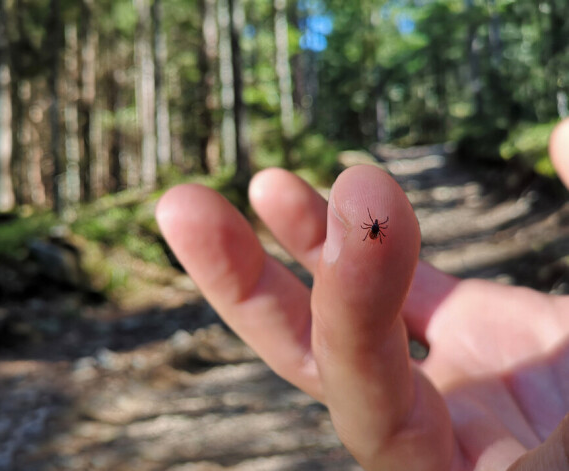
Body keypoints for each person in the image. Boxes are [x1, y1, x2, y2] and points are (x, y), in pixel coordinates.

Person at [156, 119, 569, 471]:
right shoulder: (376, 227)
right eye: (374, 227)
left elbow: (378, 228)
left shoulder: (376, 228)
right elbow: (377, 227)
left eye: (375, 228)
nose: (375, 229)